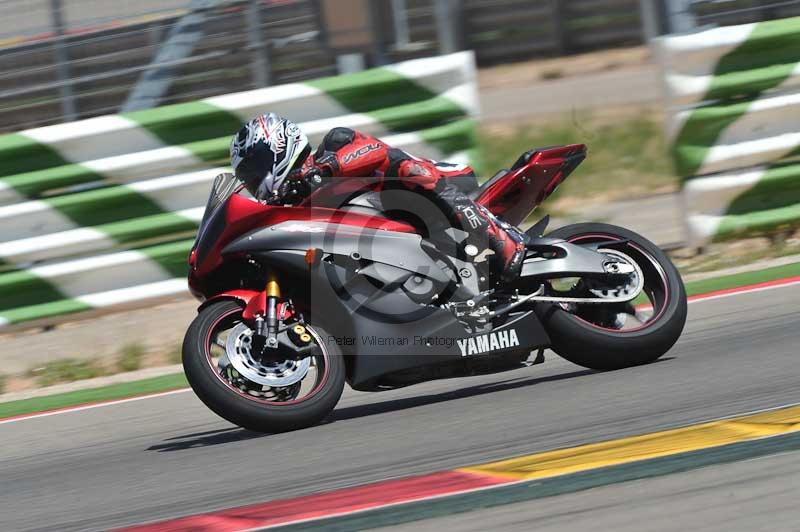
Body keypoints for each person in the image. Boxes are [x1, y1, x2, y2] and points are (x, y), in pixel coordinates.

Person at [229, 113, 526, 283]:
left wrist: (323, 169)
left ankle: (500, 239)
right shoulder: (296, 208)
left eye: (255, 172)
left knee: (405, 168)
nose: (255, 182)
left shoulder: (334, 144)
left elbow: (375, 151)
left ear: (277, 148)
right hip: (404, 239)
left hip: (445, 186)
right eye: (248, 179)